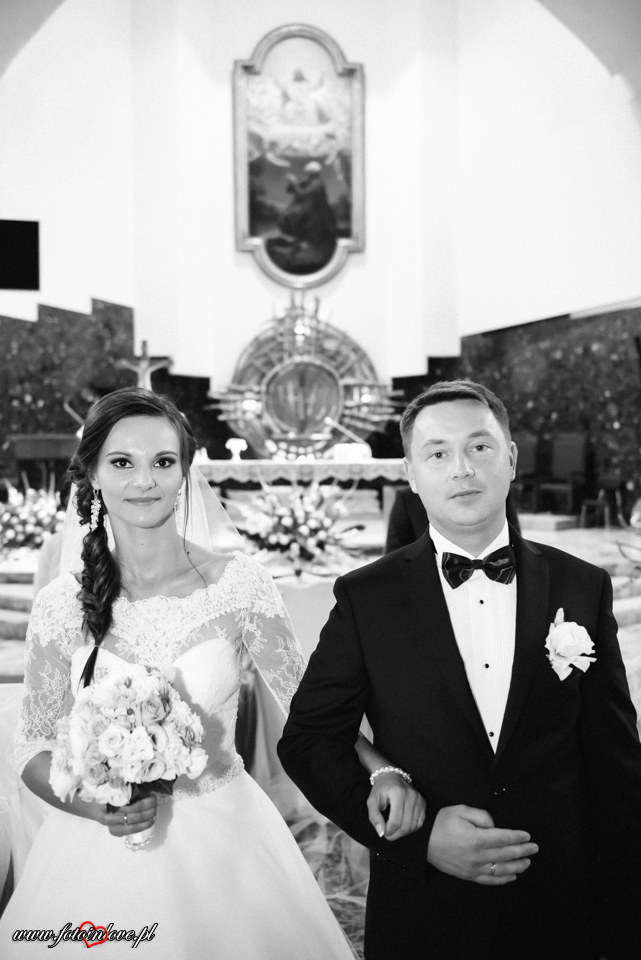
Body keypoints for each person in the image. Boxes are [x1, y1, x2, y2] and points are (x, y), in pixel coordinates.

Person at [0, 387, 423, 958]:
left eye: (163, 461)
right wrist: (98, 808)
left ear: (184, 473)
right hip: (95, 853)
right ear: (93, 474)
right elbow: (31, 748)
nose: (144, 480)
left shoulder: (239, 584)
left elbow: (311, 705)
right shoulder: (59, 604)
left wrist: (381, 770)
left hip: (230, 847)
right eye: (122, 462)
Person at [278, 379, 641, 960]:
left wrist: (624, 922)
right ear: (411, 474)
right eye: (438, 453)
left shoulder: (581, 585)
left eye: (479, 446)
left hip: (563, 906)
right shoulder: (367, 598)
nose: (462, 469)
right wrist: (419, 841)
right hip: (426, 912)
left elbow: (615, 763)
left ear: (511, 458)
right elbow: (308, 740)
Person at [385, 484, 521, 554]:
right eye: (439, 455)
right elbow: (394, 562)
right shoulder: (409, 500)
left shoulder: (498, 493)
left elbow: (516, 546)